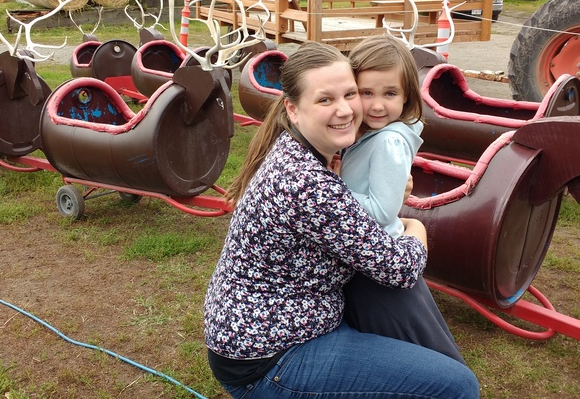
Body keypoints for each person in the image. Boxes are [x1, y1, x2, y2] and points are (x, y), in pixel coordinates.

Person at [204, 41, 479, 399]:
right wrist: (416, 227)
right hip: (270, 360)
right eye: (325, 100)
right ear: (293, 108)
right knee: (456, 387)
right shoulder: (307, 184)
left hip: (261, 334)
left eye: (350, 94)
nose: (346, 110)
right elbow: (399, 268)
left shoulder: (305, 150)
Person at [340, 33, 467, 364]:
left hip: (377, 259)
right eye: (366, 93)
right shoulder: (372, 134)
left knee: (405, 343)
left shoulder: (389, 142)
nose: (378, 105)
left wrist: (328, 190)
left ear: (407, 96)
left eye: (390, 93)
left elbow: (382, 212)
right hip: (365, 250)